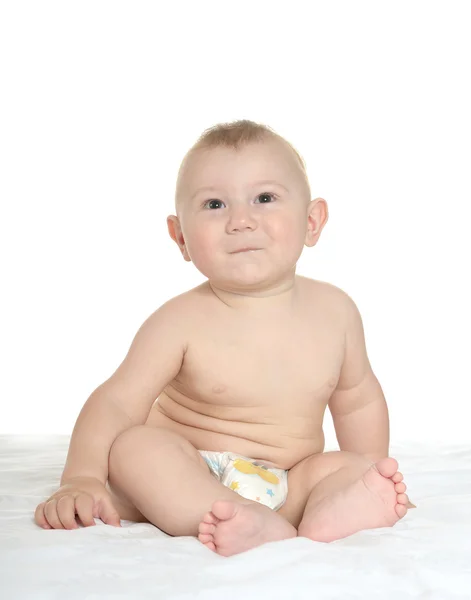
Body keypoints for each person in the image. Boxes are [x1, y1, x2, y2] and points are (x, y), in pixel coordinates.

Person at [34, 119, 414, 557]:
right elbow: (117, 402)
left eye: (265, 198)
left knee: (343, 469)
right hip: (191, 472)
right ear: (181, 238)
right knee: (135, 448)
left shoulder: (337, 311)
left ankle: (329, 509)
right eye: (214, 204)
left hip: (289, 478)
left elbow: (358, 399)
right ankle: (239, 518)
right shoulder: (178, 320)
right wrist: (80, 477)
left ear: (312, 222)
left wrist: (367, 470)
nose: (241, 220)